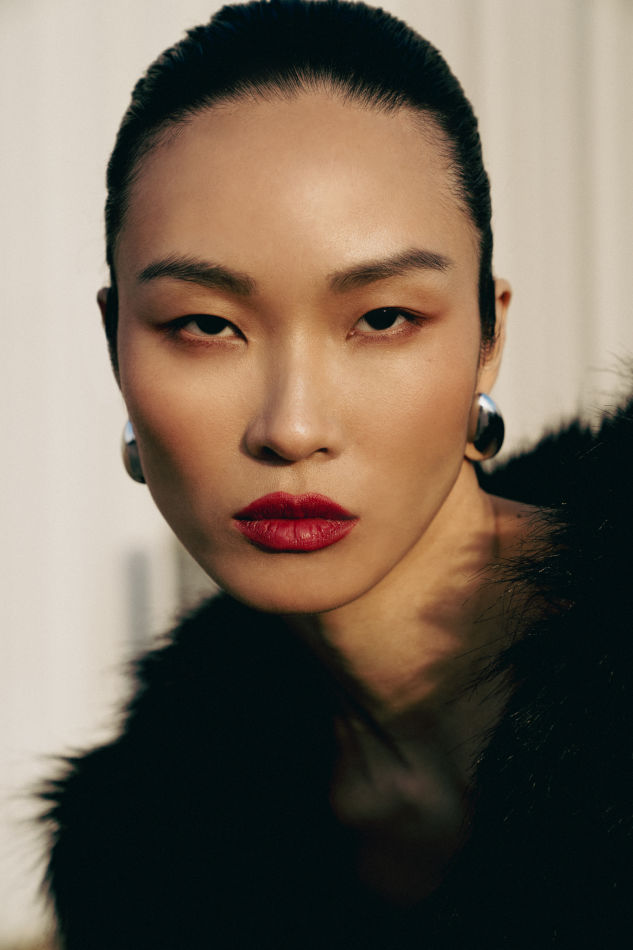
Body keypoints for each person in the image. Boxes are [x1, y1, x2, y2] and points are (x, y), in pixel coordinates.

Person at [41, 1, 633, 947]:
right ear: (115, 344)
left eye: (384, 319)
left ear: (488, 336)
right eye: (205, 325)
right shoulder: (150, 852)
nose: (292, 428)